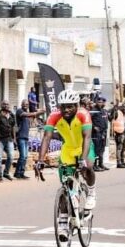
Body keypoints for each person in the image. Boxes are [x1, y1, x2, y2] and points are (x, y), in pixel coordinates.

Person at [35, 89, 97, 225]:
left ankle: (91, 192)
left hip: (83, 146)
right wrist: (40, 161)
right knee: (66, 186)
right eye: (63, 107)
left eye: (70, 106)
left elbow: (87, 137)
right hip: (68, 149)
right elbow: (46, 138)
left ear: (76, 105)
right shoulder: (54, 116)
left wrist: (82, 159)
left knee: (88, 166)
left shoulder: (83, 114)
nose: (66, 110)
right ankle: (63, 222)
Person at [15, 99, 44, 179]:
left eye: (27, 104)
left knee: (25, 157)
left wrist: (38, 113)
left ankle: (21, 173)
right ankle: (18, 173)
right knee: (23, 156)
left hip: (26, 137)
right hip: (20, 137)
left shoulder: (28, 116)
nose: (25, 105)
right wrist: (36, 113)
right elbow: (26, 115)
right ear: (21, 104)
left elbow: (33, 121)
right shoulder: (19, 111)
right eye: (24, 104)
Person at [0, 100, 16, 182]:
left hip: (9, 139)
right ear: (1, 105)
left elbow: (13, 127)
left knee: (11, 156)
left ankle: (6, 172)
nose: (6, 105)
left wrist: (14, 138)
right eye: (4, 104)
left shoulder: (12, 115)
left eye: (7, 104)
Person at [90, 96, 109, 171]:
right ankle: (95, 165)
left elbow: (109, 118)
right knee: (96, 149)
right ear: (96, 102)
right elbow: (88, 120)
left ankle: (101, 164)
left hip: (103, 133)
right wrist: (94, 127)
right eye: (99, 102)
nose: (101, 103)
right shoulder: (93, 110)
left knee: (102, 149)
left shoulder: (104, 111)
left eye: (102, 102)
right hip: (96, 134)